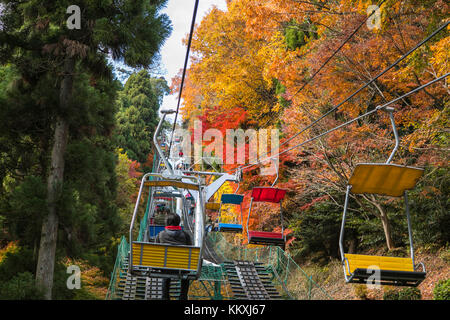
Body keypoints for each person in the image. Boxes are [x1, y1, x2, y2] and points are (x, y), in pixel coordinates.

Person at [155, 213, 192, 300]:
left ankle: (165, 297)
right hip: (181, 268)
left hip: (165, 267)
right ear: (178, 222)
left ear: (167, 222)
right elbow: (190, 251)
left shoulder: (160, 235)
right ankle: (183, 296)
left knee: (166, 270)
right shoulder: (186, 235)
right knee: (186, 274)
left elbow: (157, 252)